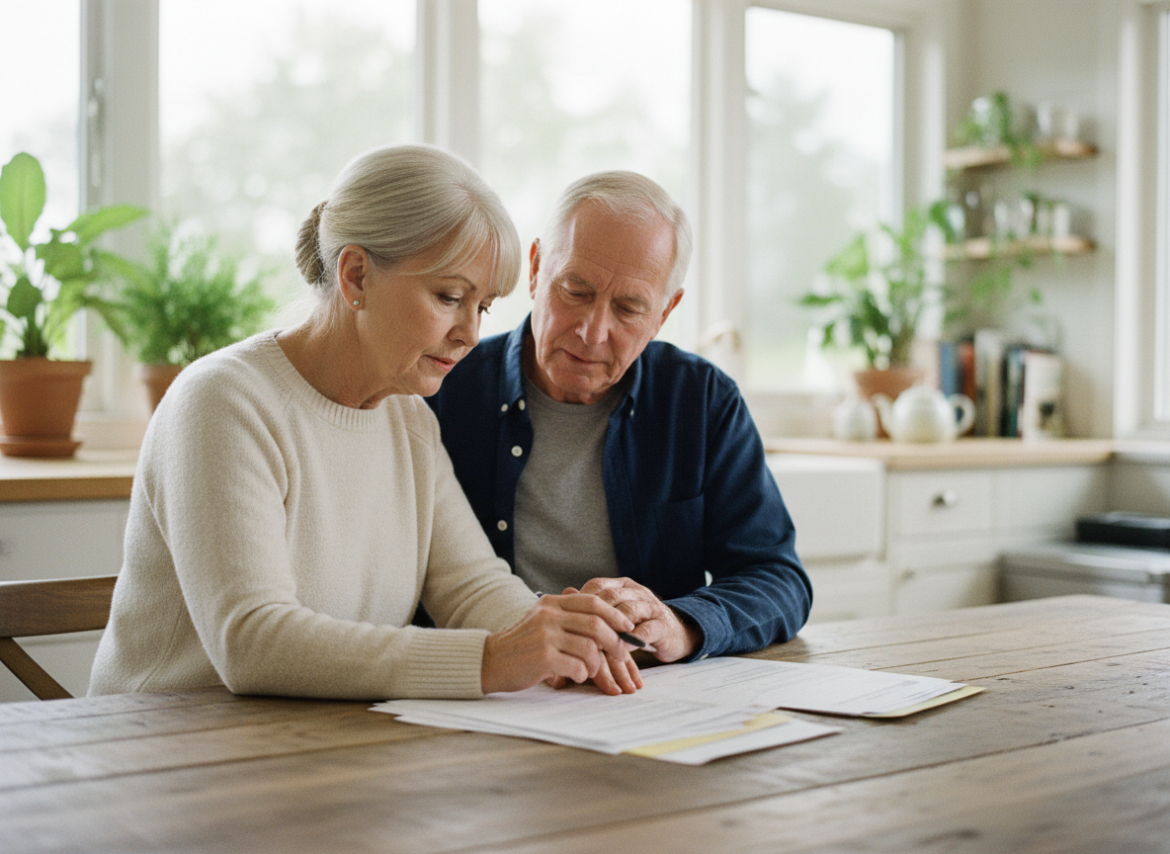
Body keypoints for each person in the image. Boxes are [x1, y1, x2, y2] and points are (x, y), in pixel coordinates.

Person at [89, 146, 644, 701]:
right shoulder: (223, 402)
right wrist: (491, 660)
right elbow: (253, 641)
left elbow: (472, 587)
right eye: (450, 297)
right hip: (160, 756)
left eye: (482, 308)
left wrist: (563, 640)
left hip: (311, 751)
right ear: (355, 275)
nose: (469, 334)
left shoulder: (409, 422)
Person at [427, 171, 813, 669]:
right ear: (537, 269)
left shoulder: (701, 401)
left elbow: (777, 578)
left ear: (665, 312)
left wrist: (683, 623)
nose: (592, 332)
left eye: (629, 308)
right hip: (487, 686)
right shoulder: (442, 389)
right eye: (575, 291)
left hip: (644, 695)